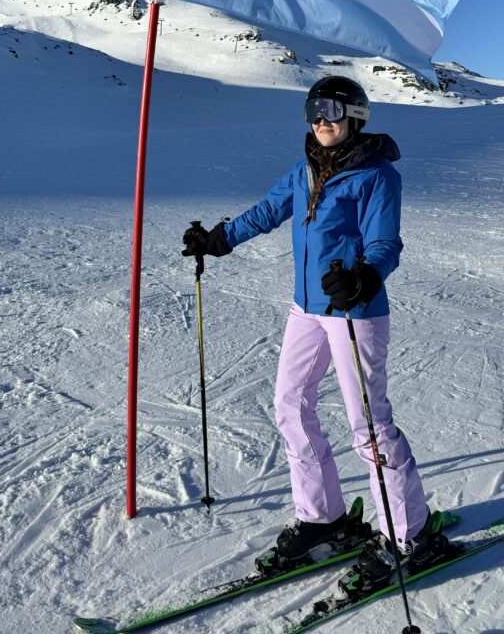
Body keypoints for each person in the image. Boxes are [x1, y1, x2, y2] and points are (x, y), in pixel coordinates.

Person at [182, 75, 447, 591]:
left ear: (356, 116)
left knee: (368, 427)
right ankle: (323, 516)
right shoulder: (307, 169)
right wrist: (218, 239)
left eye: (331, 109)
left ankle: (409, 534)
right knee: (290, 404)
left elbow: (385, 244)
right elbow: (268, 210)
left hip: (355, 311)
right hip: (306, 308)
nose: (321, 120)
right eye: (313, 110)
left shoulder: (376, 177)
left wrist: (364, 276)